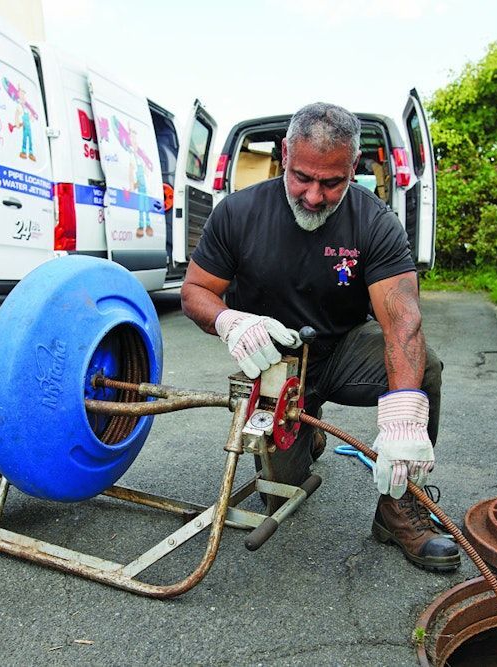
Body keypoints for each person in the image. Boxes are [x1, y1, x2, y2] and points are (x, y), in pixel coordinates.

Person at [181, 102, 460, 573]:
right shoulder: (240, 213)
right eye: (302, 177)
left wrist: (405, 420)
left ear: (354, 168)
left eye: (332, 182)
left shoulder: (374, 223)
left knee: (425, 367)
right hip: (278, 366)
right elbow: (195, 291)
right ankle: (305, 432)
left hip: (345, 351)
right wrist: (232, 322)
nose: (313, 196)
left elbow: (402, 323)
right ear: (285, 154)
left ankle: (397, 508)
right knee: (279, 494)